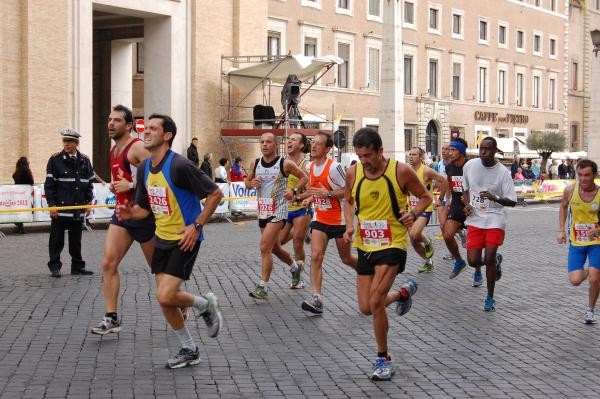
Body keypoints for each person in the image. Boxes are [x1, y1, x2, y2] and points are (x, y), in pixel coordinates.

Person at [116, 113, 224, 369]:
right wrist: (131, 213)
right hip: (161, 239)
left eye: (153, 128)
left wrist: (196, 226)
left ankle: (204, 306)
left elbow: (215, 193)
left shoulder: (180, 166)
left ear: (167, 136)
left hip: (185, 239)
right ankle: (190, 346)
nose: (147, 131)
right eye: (146, 127)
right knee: (166, 299)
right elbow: (144, 207)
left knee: (165, 294)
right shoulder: (143, 168)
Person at [343, 127, 431, 381]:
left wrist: (413, 214)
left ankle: (383, 358)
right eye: (360, 156)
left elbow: (425, 197)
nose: (364, 161)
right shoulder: (353, 172)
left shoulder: (400, 171)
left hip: (393, 243)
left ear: (380, 151)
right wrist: (349, 225)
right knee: (366, 307)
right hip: (366, 244)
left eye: (368, 155)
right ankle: (404, 293)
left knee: (375, 300)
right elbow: (348, 201)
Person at [90, 104, 156, 335]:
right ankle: (111, 317)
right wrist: (117, 185)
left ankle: (179, 303)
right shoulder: (113, 151)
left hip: (143, 216)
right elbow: (122, 178)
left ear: (129, 125)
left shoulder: (136, 147)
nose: (110, 124)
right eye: (109, 119)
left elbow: (158, 175)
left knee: (159, 269)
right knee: (108, 263)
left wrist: (131, 184)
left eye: (117, 120)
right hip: (122, 214)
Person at [299, 131, 357, 314]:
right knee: (316, 256)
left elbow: (349, 192)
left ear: (327, 149)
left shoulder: (334, 168)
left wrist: (329, 194)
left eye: (318, 144)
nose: (314, 146)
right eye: (313, 143)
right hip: (320, 219)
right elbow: (314, 190)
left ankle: (366, 270)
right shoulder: (309, 166)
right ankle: (317, 298)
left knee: (346, 259)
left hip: (339, 220)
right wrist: (303, 197)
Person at [246, 132, 308, 299]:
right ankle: (295, 267)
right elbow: (247, 183)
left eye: (268, 142)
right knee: (275, 248)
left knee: (265, 247)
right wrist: (251, 183)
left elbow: (304, 177)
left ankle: (263, 287)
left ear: (275, 145)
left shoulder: (285, 164)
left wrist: (293, 190)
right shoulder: (255, 163)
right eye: (262, 142)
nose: (264, 145)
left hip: (278, 210)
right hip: (263, 211)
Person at [462, 137, 517, 312]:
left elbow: (513, 201)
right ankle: (494, 262)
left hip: (495, 218)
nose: (483, 152)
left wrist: (496, 198)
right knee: (473, 261)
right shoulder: (470, 166)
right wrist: (467, 205)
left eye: (487, 149)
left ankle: (490, 298)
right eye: (481, 148)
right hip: (476, 218)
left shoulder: (502, 173)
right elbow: (465, 189)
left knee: (489, 257)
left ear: (495, 151)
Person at [44, 128, 95, 278]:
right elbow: (49, 185)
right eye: (64, 141)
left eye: (69, 142)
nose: (66, 144)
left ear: (76, 143)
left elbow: (88, 183)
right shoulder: (55, 160)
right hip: (60, 208)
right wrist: (52, 205)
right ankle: (55, 266)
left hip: (77, 207)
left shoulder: (85, 160)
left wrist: (88, 201)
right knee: (56, 240)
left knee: (76, 241)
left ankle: (77, 266)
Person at [557, 159, 600, 324]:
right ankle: (591, 269)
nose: (583, 179)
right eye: (580, 175)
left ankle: (590, 309)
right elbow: (562, 207)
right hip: (577, 241)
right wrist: (561, 230)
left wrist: (598, 229)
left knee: (595, 279)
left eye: (587, 175)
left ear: (594, 175)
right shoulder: (569, 190)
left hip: (597, 241)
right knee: (575, 280)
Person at [443, 138, 481, 285]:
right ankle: (459, 261)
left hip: (472, 207)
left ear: (462, 152)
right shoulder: (449, 166)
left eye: (453, 150)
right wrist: (448, 200)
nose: (450, 153)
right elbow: (449, 182)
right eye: (449, 149)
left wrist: (471, 201)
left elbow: (479, 186)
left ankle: (478, 272)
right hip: (457, 206)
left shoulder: (471, 166)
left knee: (474, 247)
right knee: (447, 235)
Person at [406, 147, 449, 273]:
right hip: (411, 208)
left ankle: (426, 241)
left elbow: (445, 181)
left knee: (414, 234)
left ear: (421, 157)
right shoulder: (407, 170)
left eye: (414, 155)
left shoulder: (427, 171)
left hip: (425, 208)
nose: (411, 157)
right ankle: (428, 261)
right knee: (413, 241)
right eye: (410, 154)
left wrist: (440, 198)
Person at [279, 132, 312, 285]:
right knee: (276, 244)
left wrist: (297, 195)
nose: (289, 141)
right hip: (286, 210)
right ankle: (293, 266)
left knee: (297, 243)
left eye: (294, 140)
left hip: (301, 209)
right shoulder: (283, 163)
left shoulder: (306, 164)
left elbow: (312, 190)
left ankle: (298, 278)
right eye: (289, 139)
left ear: (301, 145)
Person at [12, 156, 34, 234]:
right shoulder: (26, 170)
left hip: (17, 192)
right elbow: (31, 181)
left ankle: (19, 226)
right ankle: (20, 227)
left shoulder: (17, 171)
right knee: (24, 209)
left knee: (19, 209)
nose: (29, 163)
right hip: (24, 193)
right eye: (28, 161)